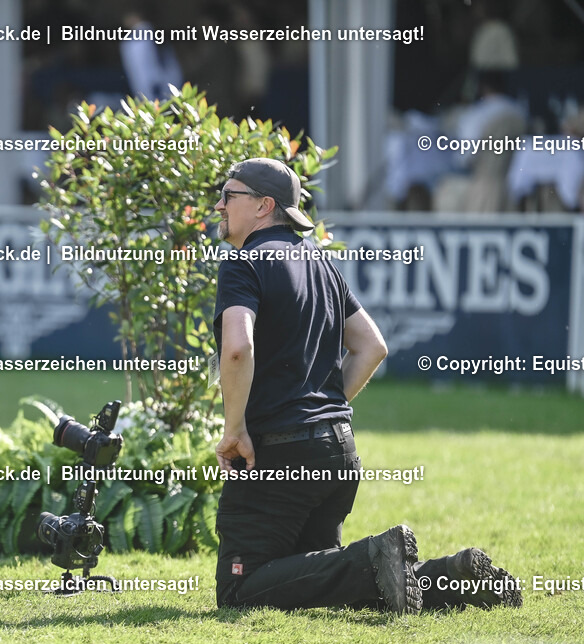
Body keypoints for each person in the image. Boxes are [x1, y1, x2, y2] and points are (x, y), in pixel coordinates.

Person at [210, 157, 522, 613]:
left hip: (279, 457)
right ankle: (450, 579)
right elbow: (372, 346)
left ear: (264, 206)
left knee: (239, 592)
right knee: (328, 584)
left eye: (228, 195)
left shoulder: (243, 263)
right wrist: (326, 410)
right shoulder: (320, 263)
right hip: (338, 452)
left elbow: (237, 348)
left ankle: (374, 556)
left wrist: (234, 429)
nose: (218, 205)